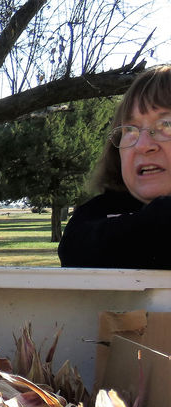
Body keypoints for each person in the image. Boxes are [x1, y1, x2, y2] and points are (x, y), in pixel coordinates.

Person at [58, 65, 171, 268]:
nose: (143, 145)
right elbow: (77, 251)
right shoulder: (92, 218)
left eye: (167, 124)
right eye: (130, 129)